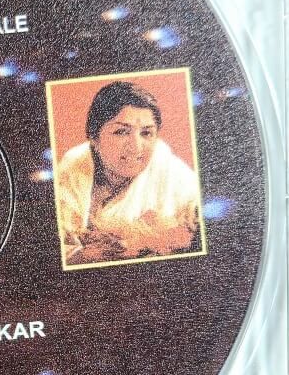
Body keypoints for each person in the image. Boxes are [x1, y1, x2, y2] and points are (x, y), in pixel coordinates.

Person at [54, 81, 201, 266]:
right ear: (94, 138)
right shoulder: (72, 166)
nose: (136, 147)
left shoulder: (178, 179)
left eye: (146, 133)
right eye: (121, 131)